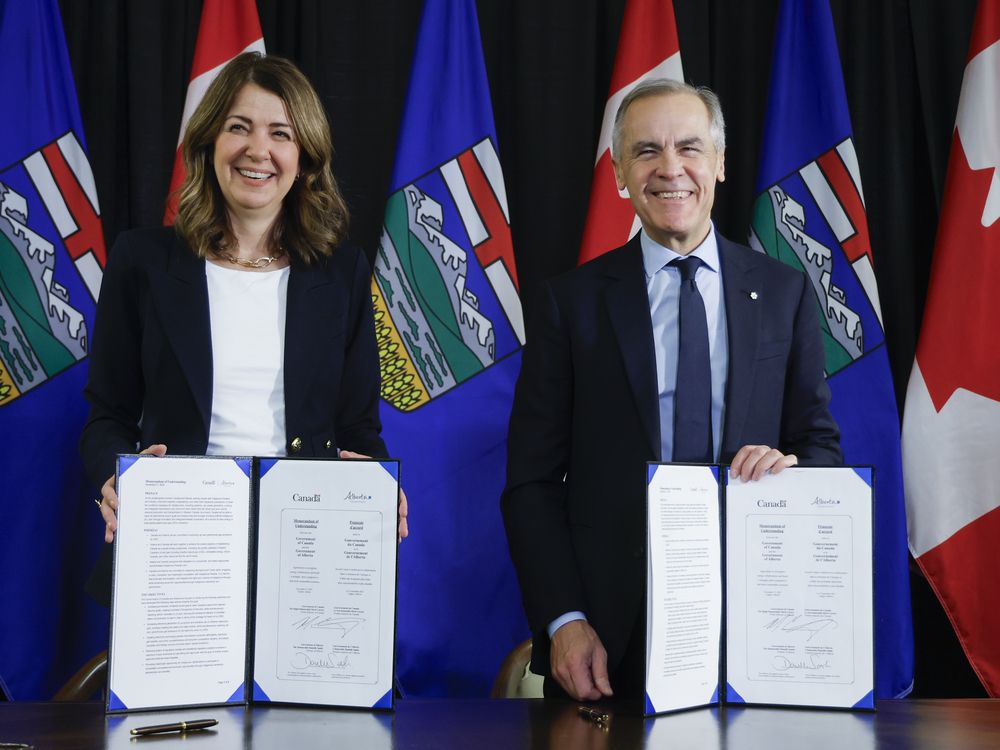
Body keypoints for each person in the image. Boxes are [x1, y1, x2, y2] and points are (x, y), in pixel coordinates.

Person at [501, 79, 841, 703]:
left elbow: (819, 449)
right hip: (609, 640)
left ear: (719, 163)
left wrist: (788, 466)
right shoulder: (567, 304)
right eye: (646, 151)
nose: (670, 169)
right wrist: (564, 621)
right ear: (620, 174)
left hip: (756, 625)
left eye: (689, 147)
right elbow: (532, 483)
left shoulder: (785, 295)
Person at [80, 53, 407, 590]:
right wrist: (113, 477)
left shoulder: (343, 272)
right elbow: (106, 415)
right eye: (239, 127)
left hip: (306, 552)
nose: (259, 150)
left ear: (303, 158)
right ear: (209, 145)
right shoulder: (142, 261)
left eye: (281, 133)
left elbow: (357, 430)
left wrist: (375, 485)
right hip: (176, 545)